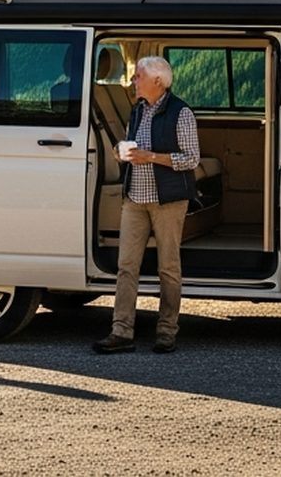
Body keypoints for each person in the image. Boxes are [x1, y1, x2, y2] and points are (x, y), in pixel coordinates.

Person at [93, 54, 200, 355]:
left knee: (168, 268)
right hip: (135, 200)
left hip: (168, 202)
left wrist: (151, 157)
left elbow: (192, 159)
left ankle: (166, 332)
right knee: (126, 266)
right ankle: (121, 331)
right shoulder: (137, 110)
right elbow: (133, 147)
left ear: (157, 81)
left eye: (138, 76)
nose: (132, 81)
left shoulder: (182, 113)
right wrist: (121, 153)